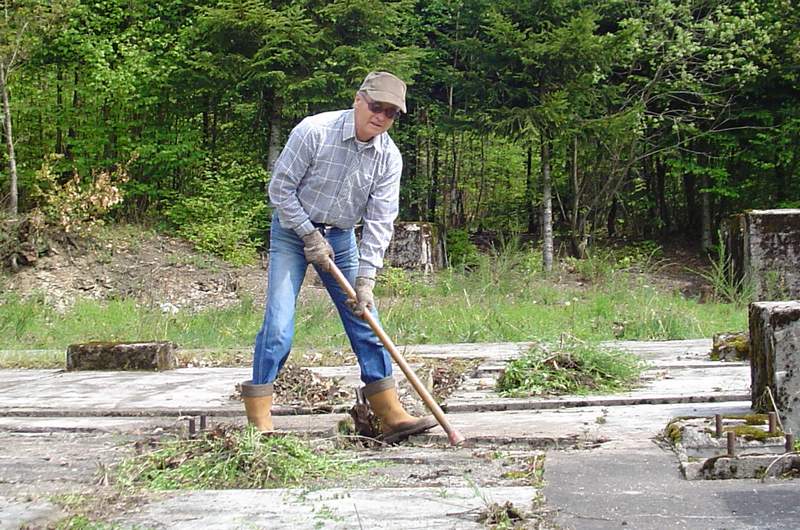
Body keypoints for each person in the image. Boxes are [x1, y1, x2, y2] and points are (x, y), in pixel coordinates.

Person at [240, 71, 437, 443]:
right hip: (291, 232)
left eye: (391, 113)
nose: (381, 117)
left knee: (366, 320)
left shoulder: (388, 157)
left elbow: (380, 221)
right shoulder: (314, 131)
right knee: (279, 326)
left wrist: (366, 280)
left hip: (342, 238)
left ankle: (389, 413)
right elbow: (279, 189)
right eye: (376, 106)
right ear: (358, 100)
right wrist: (308, 234)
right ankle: (259, 418)